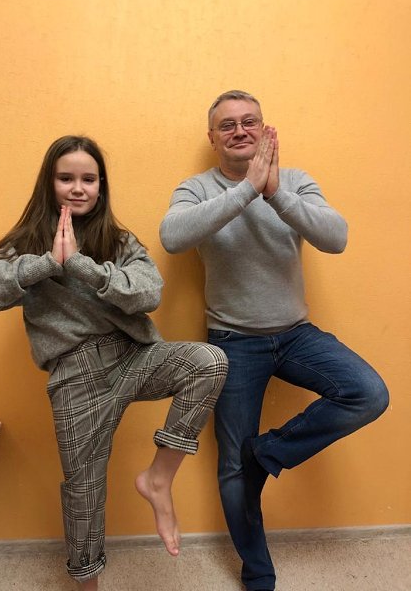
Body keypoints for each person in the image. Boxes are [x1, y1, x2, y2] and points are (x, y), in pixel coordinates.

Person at [0, 135, 229, 591]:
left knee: (209, 361)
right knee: (83, 489)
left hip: (132, 356)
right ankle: (88, 585)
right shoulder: (27, 243)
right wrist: (46, 263)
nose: (78, 188)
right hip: (75, 374)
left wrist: (82, 266)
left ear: (101, 186)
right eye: (66, 178)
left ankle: (158, 480)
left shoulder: (117, 240)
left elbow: (149, 292)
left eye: (89, 179)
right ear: (49, 183)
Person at [160, 90, 389, 591]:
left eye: (250, 121)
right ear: (212, 137)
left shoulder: (297, 181)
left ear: (265, 130)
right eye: (227, 125)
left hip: (295, 334)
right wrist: (247, 189)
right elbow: (173, 237)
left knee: (369, 393)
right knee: (231, 467)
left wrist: (275, 192)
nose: (240, 130)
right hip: (232, 342)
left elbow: (336, 237)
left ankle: (267, 453)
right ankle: (258, 572)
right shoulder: (196, 188)